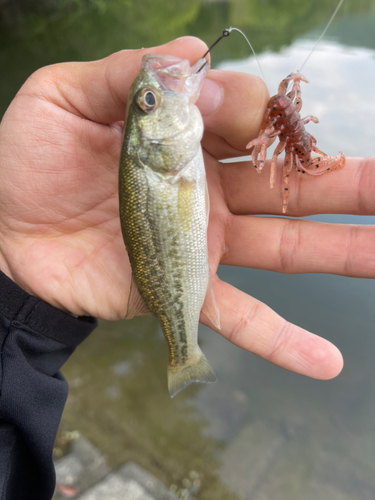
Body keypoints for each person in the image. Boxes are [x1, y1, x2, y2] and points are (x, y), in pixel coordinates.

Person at [0, 36, 369, 499]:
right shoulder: (153, 158)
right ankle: (184, 355)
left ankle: (183, 353)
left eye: (147, 100)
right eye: (150, 101)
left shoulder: (162, 155)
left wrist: (13, 285)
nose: (156, 92)